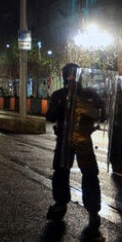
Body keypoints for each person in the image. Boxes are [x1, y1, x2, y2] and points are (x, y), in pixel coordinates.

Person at [45, 63, 105, 230]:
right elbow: (50, 116)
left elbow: (102, 114)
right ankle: (62, 204)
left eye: (72, 75)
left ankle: (92, 210)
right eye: (68, 75)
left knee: (89, 174)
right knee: (62, 172)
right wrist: (59, 107)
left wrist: (90, 111)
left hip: (82, 139)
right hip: (65, 139)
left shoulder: (87, 95)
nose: (70, 78)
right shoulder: (60, 95)